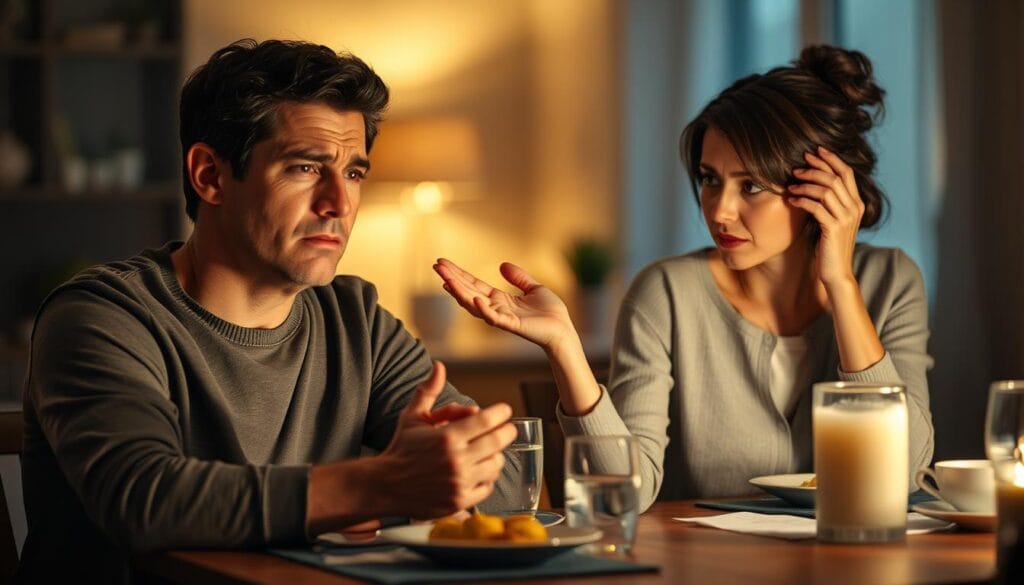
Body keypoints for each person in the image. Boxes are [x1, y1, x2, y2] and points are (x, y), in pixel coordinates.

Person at [16, 39, 517, 583]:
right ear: (210, 176)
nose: (339, 204)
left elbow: (507, 485)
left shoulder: (357, 320)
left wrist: (421, 479)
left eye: (354, 174)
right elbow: (144, 499)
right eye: (305, 168)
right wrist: (379, 485)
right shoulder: (100, 317)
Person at [435, 45, 934, 512]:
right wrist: (564, 345)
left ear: (822, 190)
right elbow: (621, 498)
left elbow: (903, 470)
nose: (719, 210)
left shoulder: (890, 282)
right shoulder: (666, 294)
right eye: (710, 179)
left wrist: (841, 285)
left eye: (751, 186)